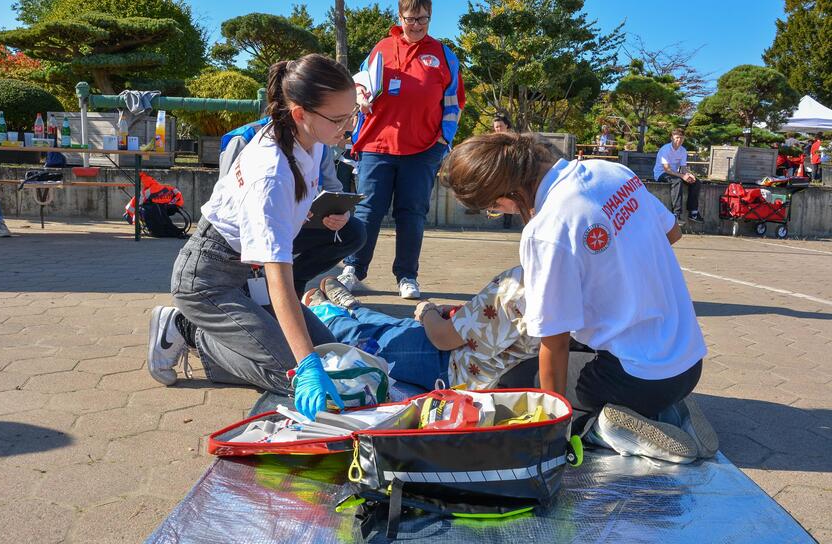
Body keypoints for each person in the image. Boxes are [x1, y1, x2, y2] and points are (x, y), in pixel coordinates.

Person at [441, 133, 717, 464]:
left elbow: (553, 343)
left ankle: (602, 427)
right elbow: (672, 233)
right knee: (617, 362)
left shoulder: (546, 230)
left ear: (505, 196)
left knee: (523, 380)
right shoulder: (610, 172)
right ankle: (672, 409)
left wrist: (551, 430)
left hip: (635, 378)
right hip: (688, 360)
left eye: (493, 209)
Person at [146, 54, 359, 421]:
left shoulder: (312, 140)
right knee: (295, 375)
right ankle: (186, 330)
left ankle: (224, 333)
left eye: (353, 114)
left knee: (333, 357)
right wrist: (304, 363)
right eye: (339, 119)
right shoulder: (270, 172)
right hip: (207, 282)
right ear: (300, 114)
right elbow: (280, 281)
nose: (349, 127)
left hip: (245, 275)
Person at [338, 0, 466, 300]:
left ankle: (407, 276)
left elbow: (454, 104)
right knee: (367, 211)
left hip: (422, 151)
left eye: (422, 19)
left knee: (413, 215)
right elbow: (360, 84)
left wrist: (442, 141)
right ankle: (353, 268)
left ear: (430, 17)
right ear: (400, 18)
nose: (416, 25)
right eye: (411, 19)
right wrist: (360, 96)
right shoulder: (381, 49)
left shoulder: (444, 56)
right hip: (376, 147)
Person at [303, 266, 538, 391]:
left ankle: (329, 315)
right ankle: (353, 308)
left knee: (371, 340)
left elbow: (442, 338)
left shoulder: (520, 283)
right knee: (394, 326)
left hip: (449, 364)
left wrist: (426, 310)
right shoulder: (559, 292)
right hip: (470, 358)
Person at [218, 121, 366, 298]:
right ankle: (259, 283)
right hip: (253, 231)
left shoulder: (320, 145)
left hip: (301, 223)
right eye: (336, 118)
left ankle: (295, 280)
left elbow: (334, 189)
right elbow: (226, 199)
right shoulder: (245, 139)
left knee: (354, 232)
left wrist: (342, 213)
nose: (348, 128)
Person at [654, 129, 702, 224]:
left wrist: (689, 174)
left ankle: (693, 212)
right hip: (661, 174)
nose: (678, 140)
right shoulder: (665, 149)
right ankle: (676, 214)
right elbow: (667, 169)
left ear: (683, 139)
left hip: (675, 174)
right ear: (672, 138)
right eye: (676, 138)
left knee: (696, 182)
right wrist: (682, 176)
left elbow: (683, 168)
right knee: (677, 181)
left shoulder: (683, 150)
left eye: (681, 138)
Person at [492, 113, 515, 229]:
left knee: (510, 195)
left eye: (500, 126)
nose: (498, 129)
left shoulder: (513, 140)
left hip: (511, 171)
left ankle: (508, 220)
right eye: (496, 127)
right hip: (497, 171)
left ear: (506, 125)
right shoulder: (492, 140)